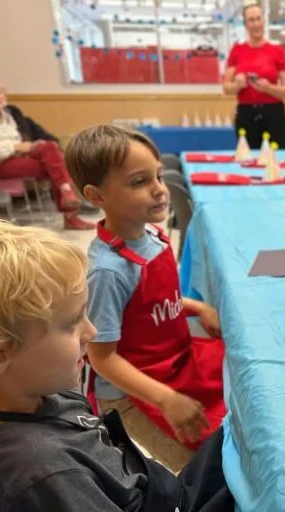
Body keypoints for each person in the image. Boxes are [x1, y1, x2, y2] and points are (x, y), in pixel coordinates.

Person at [0, 219, 233, 512]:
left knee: (244, 428)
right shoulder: (46, 474)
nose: (91, 332)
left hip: (160, 490)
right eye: (71, 324)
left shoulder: (44, 389)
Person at [64, 125, 227, 472]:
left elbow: (150, 302)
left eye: (159, 176)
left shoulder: (151, 234)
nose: (158, 190)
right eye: (139, 182)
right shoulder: (108, 271)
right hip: (131, 395)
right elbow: (102, 358)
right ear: (96, 196)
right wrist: (168, 400)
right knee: (202, 469)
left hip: (174, 365)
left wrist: (197, 307)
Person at [0, 79, 92, 230]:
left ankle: (67, 195)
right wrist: (16, 147)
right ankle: (70, 211)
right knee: (56, 167)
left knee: (50, 147)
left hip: (17, 157)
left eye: (0, 92)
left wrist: (25, 147)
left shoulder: (8, 116)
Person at [222, 3, 285, 149]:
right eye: (251, 20)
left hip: (273, 113)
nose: (256, 24)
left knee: (275, 156)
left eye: (258, 19)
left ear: (264, 21)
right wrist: (237, 85)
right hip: (246, 113)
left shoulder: (276, 50)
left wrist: (268, 88)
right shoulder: (237, 50)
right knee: (247, 157)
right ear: (245, 25)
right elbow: (226, 87)